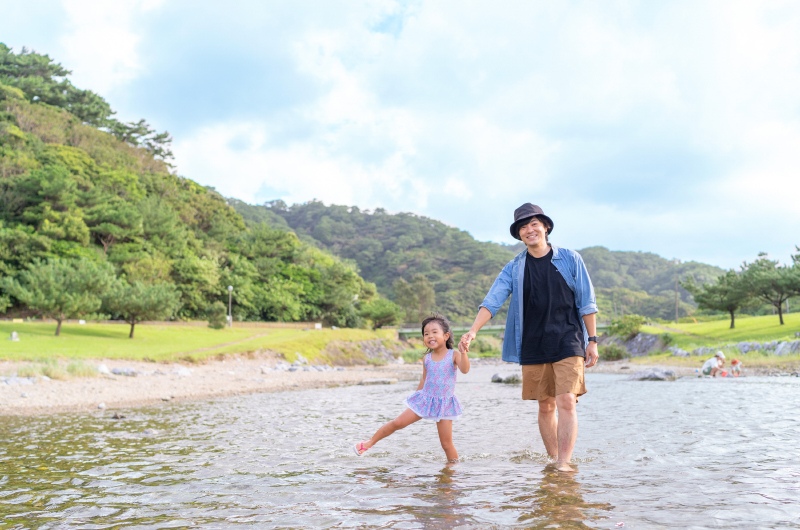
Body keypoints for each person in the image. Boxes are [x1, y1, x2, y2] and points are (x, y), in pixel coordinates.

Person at [459, 203, 598, 472]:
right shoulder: (514, 268)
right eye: (523, 226)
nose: (529, 229)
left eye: (534, 223)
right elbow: (492, 301)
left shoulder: (570, 258)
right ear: (519, 235)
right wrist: (473, 330)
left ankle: (563, 463)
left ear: (545, 227)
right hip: (532, 341)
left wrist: (592, 339)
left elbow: (586, 301)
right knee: (545, 406)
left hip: (568, 338)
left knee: (566, 400)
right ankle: (554, 460)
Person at [354, 314, 470, 461]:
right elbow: (424, 379)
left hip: (444, 404)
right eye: (426, 334)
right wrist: (415, 401)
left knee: (446, 444)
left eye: (434, 332)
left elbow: (465, 370)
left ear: (446, 336)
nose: (430, 336)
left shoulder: (454, 354)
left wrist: (464, 352)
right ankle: (368, 443)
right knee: (397, 423)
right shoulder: (427, 358)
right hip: (424, 400)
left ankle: (452, 472)